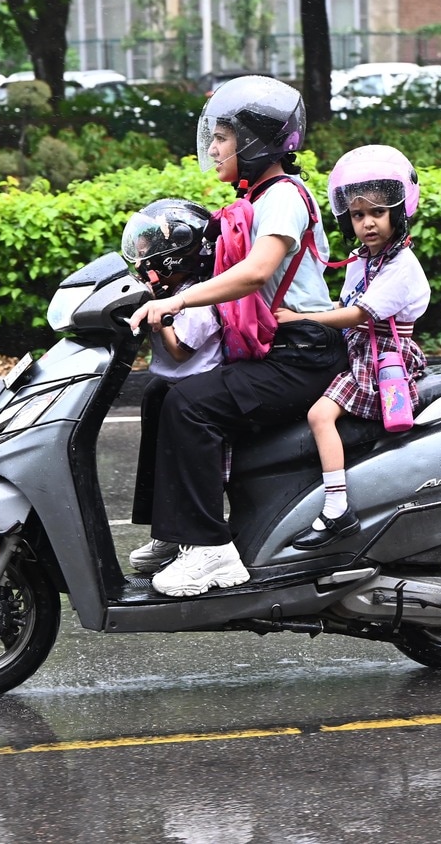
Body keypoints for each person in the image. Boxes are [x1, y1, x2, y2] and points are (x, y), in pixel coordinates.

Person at [126, 75, 346, 597]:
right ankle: (174, 533)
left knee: (192, 406)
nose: (214, 147)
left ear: (255, 143)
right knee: (161, 394)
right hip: (278, 349)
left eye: (223, 137)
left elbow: (255, 271)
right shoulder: (259, 198)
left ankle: (211, 550)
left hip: (303, 355)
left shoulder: (284, 197)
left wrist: (177, 301)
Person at [274, 144, 430, 549]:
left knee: (320, 416)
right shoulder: (363, 259)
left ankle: (337, 509)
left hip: (380, 360)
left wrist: (300, 319)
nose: (368, 224)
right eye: (358, 215)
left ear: (397, 212)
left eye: (377, 213)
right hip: (356, 349)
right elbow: (341, 306)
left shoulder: (401, 266)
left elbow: (357, 315)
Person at [118, 198, 227, 572]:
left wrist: (161, 314)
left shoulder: (200, 296)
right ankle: (166, 532)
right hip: (167, 388)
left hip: (196, 386)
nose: (144, 256)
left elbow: (180, 351)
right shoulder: (169, 291)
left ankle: (189, 536)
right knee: (153, 400)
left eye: (152, 249)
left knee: (170, 409)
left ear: (177, 256)